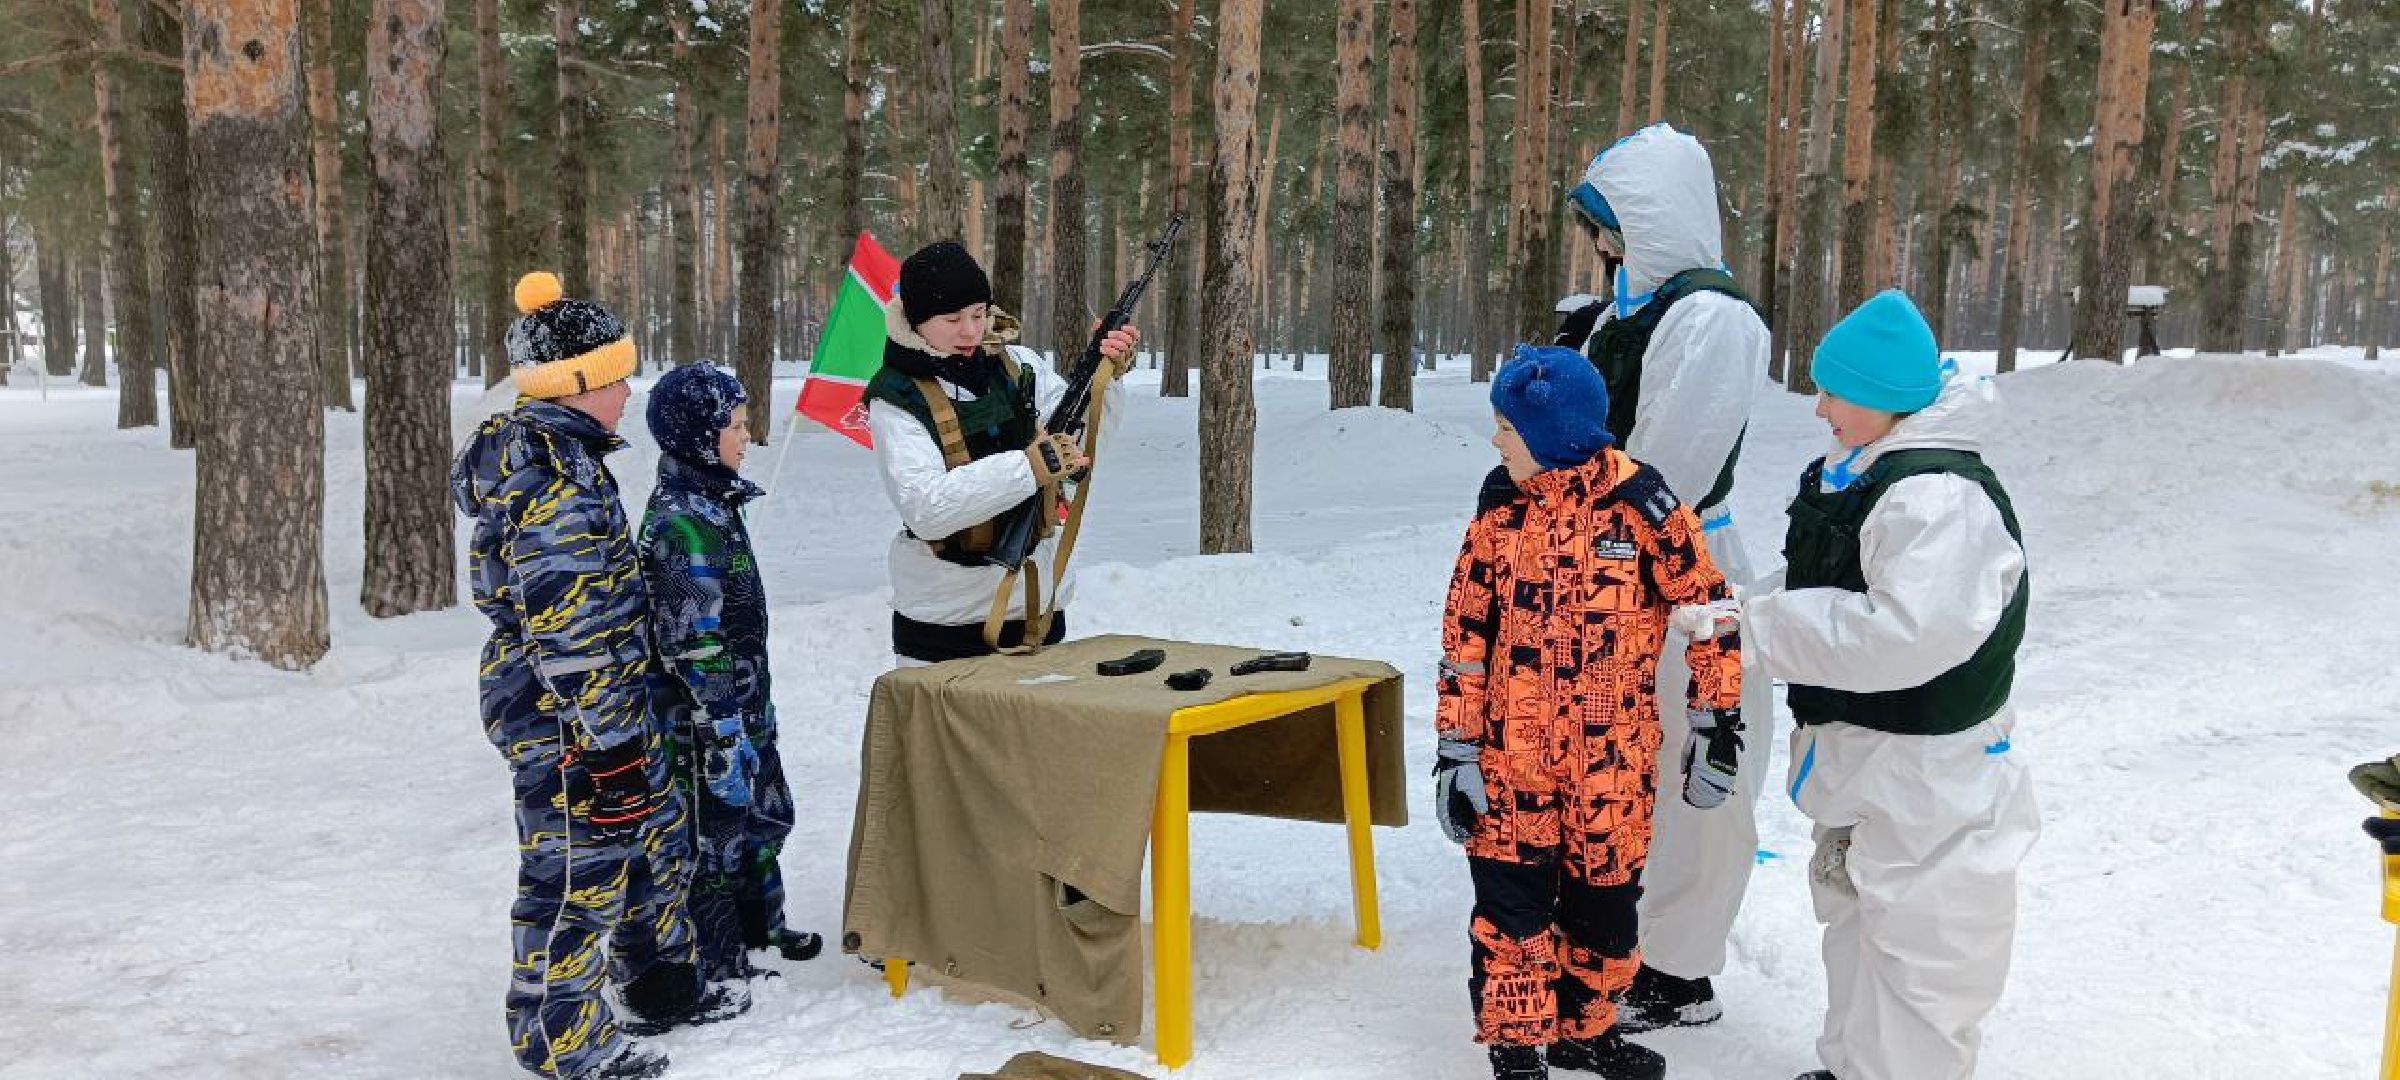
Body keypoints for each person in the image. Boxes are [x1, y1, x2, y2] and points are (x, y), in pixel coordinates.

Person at [1694, 290, 2040, 1080]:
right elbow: (1835, 580)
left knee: (1923, 946)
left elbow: (1904, 635)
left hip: (1927, 774)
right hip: (1869, 759)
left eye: (1832, 392)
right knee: (1857, 916)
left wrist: (1760, 628)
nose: (1817, 409)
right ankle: (1853, 1065)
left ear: (1883, 399)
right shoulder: (1870, 472)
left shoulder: (1937, 498)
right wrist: (1743, 609)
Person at [1479, 124, 1775, 1031]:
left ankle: (1677, 969)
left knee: (1694, 763)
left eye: (1614, 226)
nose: (1603, 246)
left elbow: (1666, 462)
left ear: (1652, 221)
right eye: (1597, 229)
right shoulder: (1625, 308)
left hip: (1677, 561)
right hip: (1600, 561)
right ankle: (1608, 942)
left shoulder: (1715, 319)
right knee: (1607, 759)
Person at [452, 272, 740, 1080]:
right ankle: (560, 1043)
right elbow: (570, 632)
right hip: (566, 711)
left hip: (605, 702)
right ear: (578, 384)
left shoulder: (568, 458)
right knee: (576, 870)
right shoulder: (551, 483)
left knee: (643, 846)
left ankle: (658, 984)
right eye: (616, 376)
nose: (627, 391)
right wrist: (608, 742)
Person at [1436, 345, 1745, 1080]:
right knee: (1511, 915)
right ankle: (1516, 1052)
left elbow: (1709, 609)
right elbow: (1464, 636)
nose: (1495, 441)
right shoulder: (1501, 504)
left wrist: (1716, 721)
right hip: (1510, 764)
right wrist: (1455, 747)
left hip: (1613, 768)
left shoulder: (1644, 505)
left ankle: (1585, 1031)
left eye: (1506, 427)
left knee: (1604, 915)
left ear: (1549, 435)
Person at [639, 362, 823, 1001]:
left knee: (763, 813)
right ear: (696, 435)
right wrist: (721, 728)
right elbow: (693, 641)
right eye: (736, 426)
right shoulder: (682, 523)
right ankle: (716, 962)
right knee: (713, 834)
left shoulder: (714, 503)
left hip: (745, 703)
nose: (747, 437)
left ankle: (762, 928)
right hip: (705, 722)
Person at [865, 240, 1138, 665]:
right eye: (952, 318)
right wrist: (1028, 468)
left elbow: (1078, 448)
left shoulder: (1018, 365)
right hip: (945, 628)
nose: (971, 331)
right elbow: (926, 507)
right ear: (916, 322)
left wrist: (1105, 379)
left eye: (978, 314)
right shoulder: (895, 397)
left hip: (1035, 608)